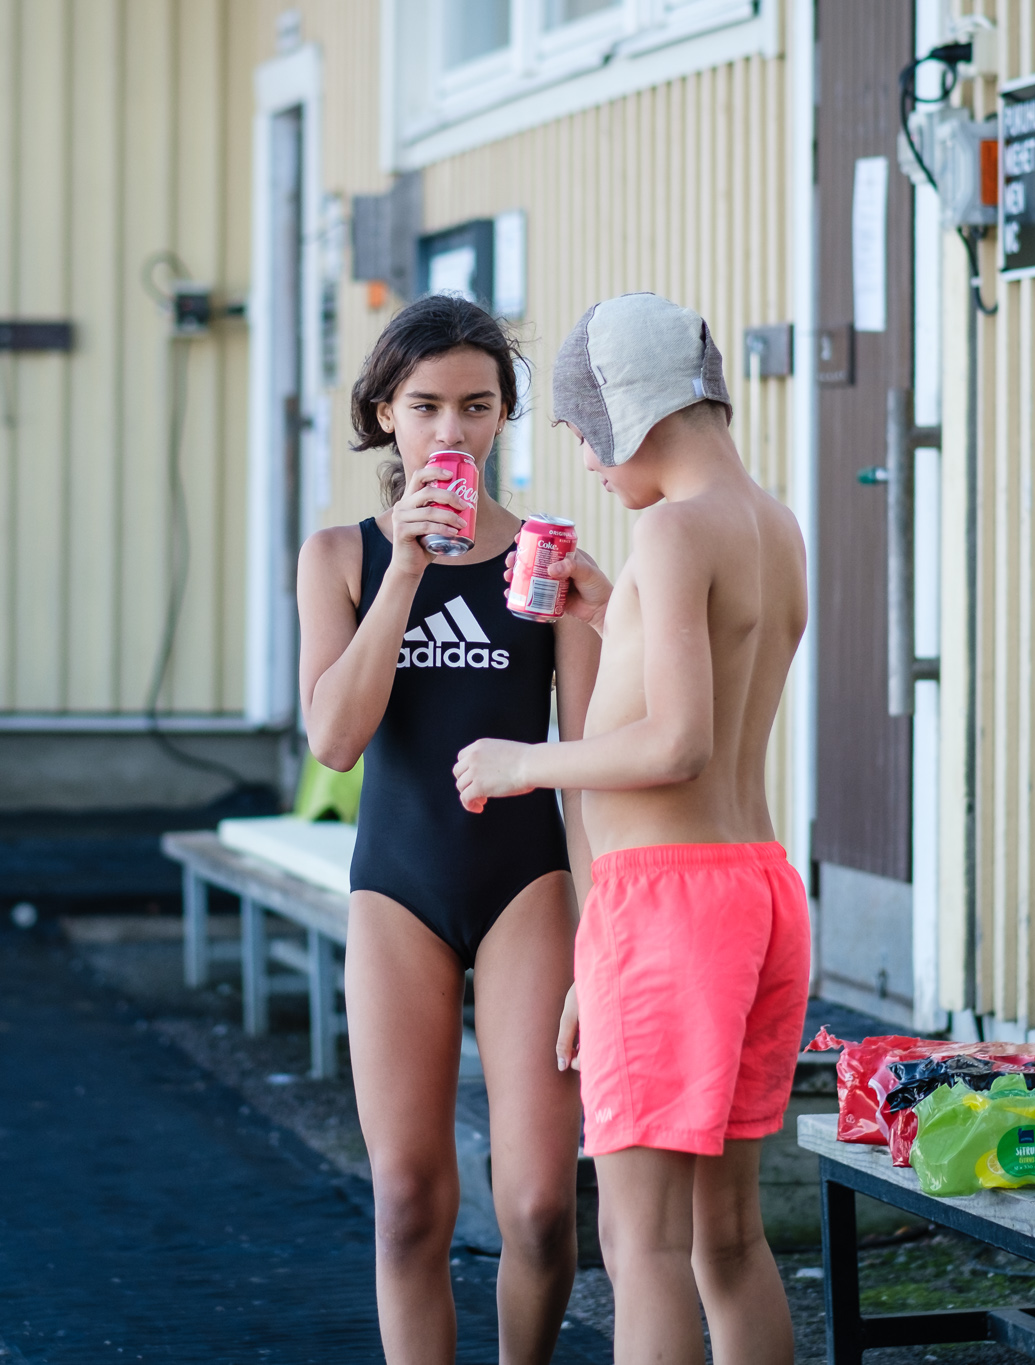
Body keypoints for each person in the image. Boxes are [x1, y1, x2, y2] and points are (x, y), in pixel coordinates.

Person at [453, 293, 811, 1365]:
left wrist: (521, 764)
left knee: (637, 1238)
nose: (591, 465)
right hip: (750, 890)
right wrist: (608, 610)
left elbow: (672, 747)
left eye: (582, 435)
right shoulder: (767, 520)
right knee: (728, 1239)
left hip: (668, 906)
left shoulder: (668, 527)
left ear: (627, 412)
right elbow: (714, 673)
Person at [297, 293, 600, 1365]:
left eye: (476, 406)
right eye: (425, 406)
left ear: (504, 414)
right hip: (398, 890)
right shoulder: (338, 555)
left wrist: (597, 938)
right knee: (410, 1204)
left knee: (537, 1208)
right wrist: (408, 568)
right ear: (384, 413)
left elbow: (594, 765)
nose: (451, 431)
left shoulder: (548, 561)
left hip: (526, 886)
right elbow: (334, 742)